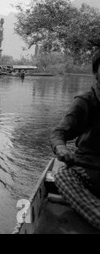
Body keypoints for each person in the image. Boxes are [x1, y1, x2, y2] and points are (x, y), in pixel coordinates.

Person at [50, 51, 100, 229]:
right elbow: (58, 133)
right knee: (63, 175)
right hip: (90, 171)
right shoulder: (85, 102)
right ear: (96, 73)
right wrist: (61, 149)